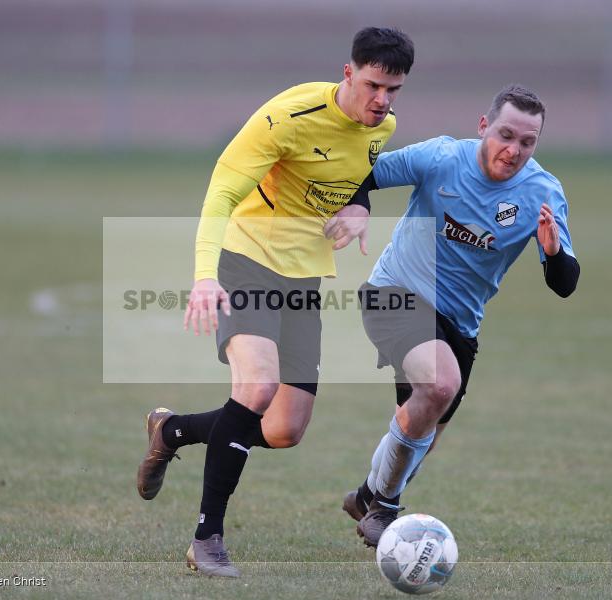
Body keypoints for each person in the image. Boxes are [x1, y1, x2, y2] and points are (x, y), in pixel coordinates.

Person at [135, 27, 415, 576]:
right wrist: (203, 276)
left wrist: (361, 206)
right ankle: (206, 539)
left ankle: (171, 430)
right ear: (348, 74)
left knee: (283, 429)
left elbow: (355, 169)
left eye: (394, 90)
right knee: (256, 387)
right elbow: (222, 190)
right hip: (247, 257)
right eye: (374, 85)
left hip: (304, 278)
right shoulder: (288, 116)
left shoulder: (383, 126)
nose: (382, 101)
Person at [341, 84, 580, 547]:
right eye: (506, 135)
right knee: (440, 385)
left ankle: (369, 495)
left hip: (460, 325)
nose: (513, 151)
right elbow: (361, 173)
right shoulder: (441, 158)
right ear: (483, 125)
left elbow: (565, 283)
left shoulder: (542, 192)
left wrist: (552, 254)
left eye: (527, 142)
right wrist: (358, 206)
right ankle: (383, 512)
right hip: (393, 292)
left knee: (423, 431)